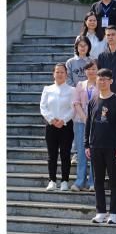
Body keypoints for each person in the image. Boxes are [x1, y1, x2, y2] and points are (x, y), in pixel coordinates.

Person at [86, 68, 116, 225]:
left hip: (113, 147)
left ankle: (115, 213)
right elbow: (88, 124)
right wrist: (86, 144)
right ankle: (101, 212)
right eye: (99, 79)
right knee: (98, 181)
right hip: (95, 146)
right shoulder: (93, 101)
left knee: (114, 180)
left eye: (105, 79)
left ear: (111, 81)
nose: (102, 82)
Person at [40, 64, 76, 192]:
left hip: (66, 126)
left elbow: (73, 108)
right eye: (57, 72)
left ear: (66, 74)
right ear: (53, 74)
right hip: (51, 126)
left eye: (62, 72)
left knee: (65, 154)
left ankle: (65, 181)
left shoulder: (72, 90)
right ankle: (52, 181)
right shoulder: (47, 89)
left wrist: (63, 120)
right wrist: (51, 119)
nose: (59, 74)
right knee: (52, 155)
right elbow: (43, 107)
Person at [70, 61, 98, 192]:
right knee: (81, 152)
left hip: (97, 123)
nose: (91, 71)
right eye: (88, 69)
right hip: (81, 122)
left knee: (94, 152)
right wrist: (85, 118)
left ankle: (93, 182)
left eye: (94, 69)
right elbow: (76, 103)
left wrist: (92, 119)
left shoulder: (101, 84)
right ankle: (80, 181)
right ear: (85, 71)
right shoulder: (80, 85)